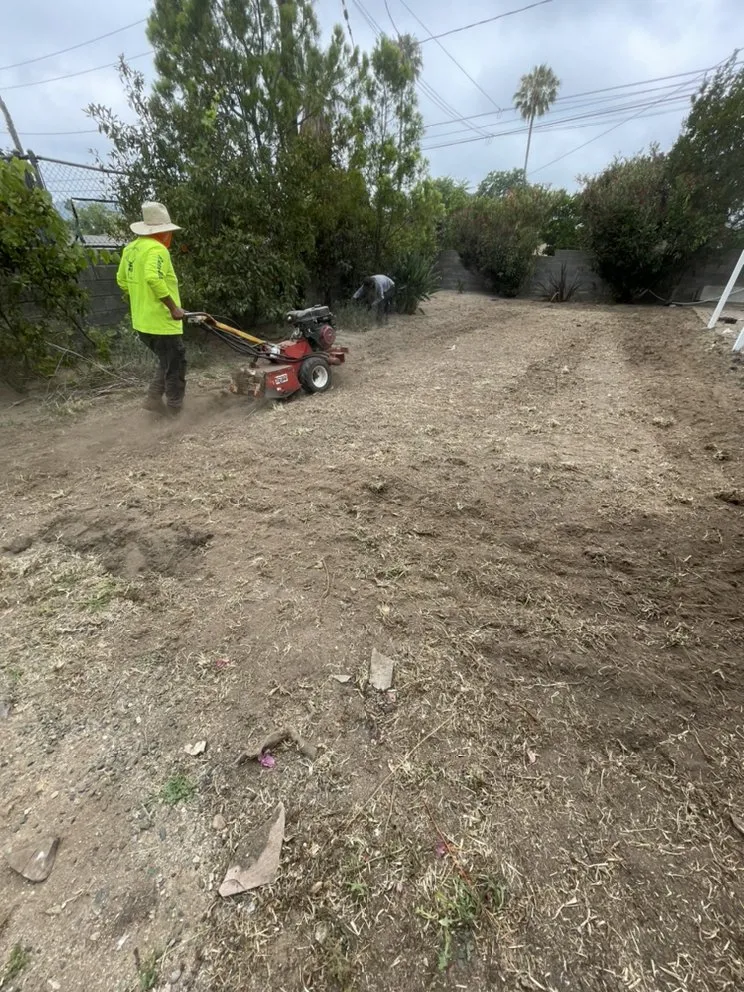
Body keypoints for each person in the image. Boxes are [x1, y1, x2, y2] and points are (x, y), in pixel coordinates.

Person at [117, 202, 186, 415]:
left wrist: (143, 299)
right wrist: (173, 308)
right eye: (169, 232)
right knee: (177, 362)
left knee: (166, 359)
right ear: (162, 232)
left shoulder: (131, 249)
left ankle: (153, 399)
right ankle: (175, 410)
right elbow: (153, 278)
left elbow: (121, 280)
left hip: (141, 322)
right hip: (161, 321)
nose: (170, 237)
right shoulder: (157, 249)